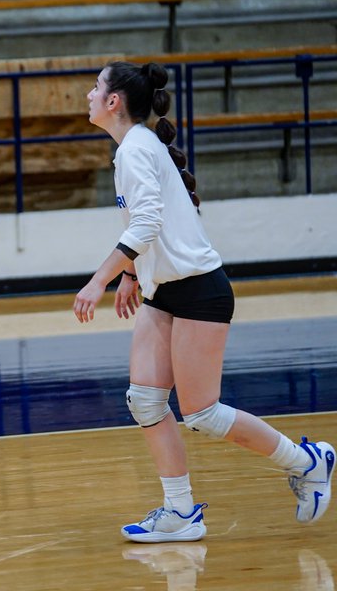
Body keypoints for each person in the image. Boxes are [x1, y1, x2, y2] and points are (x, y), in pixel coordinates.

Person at [74, 60, 334, 543]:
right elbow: (153, 221)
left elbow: (147, 223)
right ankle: (180, 512)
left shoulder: (134, 150)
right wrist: (132, 274)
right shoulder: (135, 147)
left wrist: (100, 281)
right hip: (164, 291)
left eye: (95, 88)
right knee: (146, 400)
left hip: (198, 290)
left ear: (113, 102)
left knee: (202, 414)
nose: (88, 95)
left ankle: (309, 461)